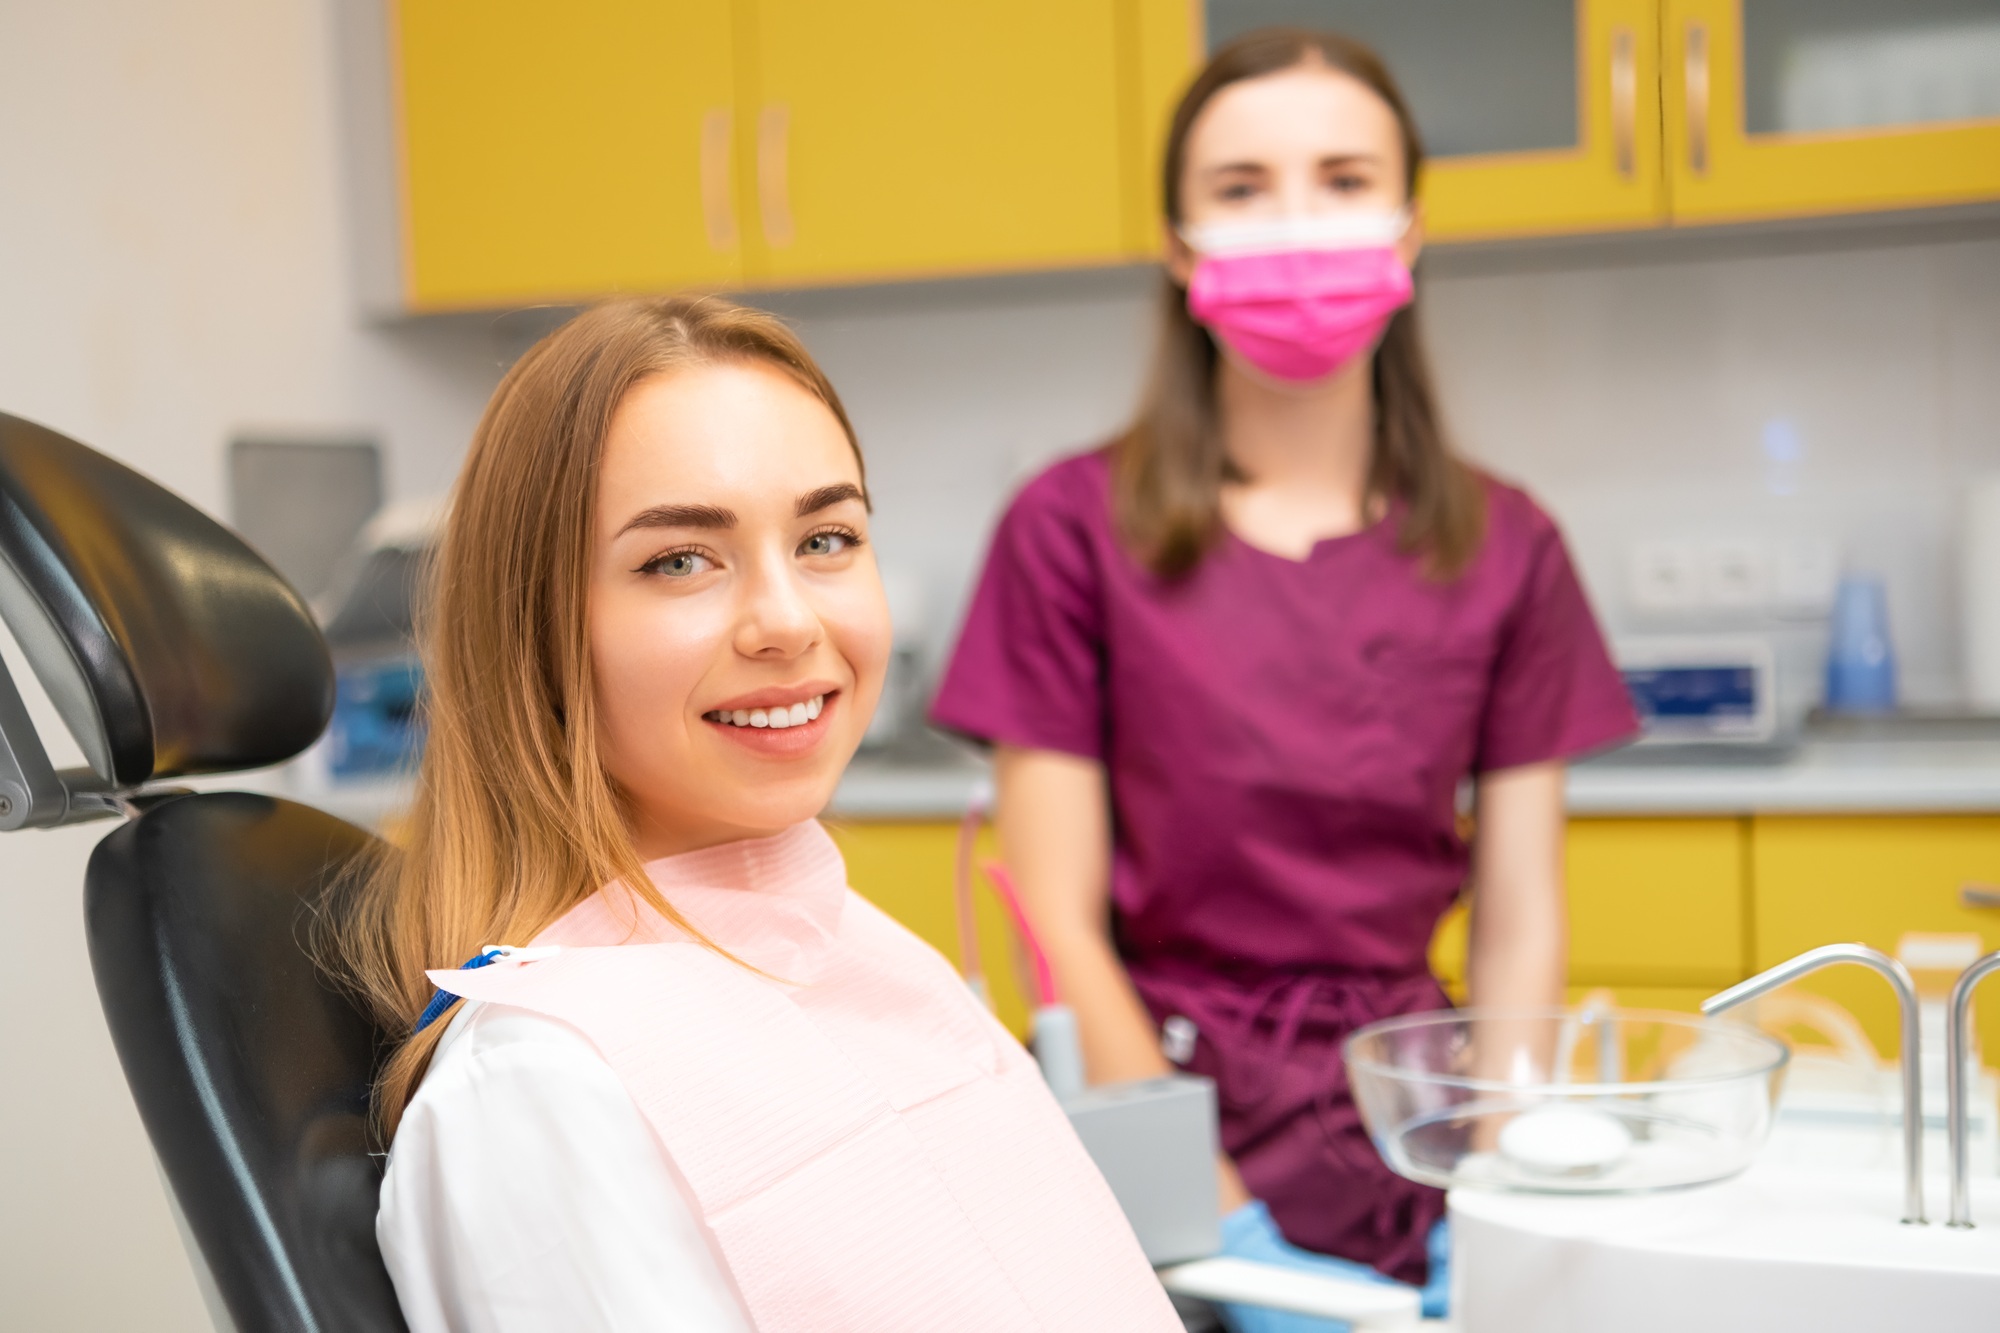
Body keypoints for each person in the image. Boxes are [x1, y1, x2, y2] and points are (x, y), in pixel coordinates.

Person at [930, 28, 1638, 1329]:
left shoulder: (1510, 544)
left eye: (1344, 177)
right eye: (1243, 187)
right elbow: (1053, 914)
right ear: (1179, 242)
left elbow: (1522, 918)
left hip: (1420, 1125)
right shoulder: (1068, 528)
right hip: (1156, 1130)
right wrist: (1216, 1222)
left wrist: (1494, 1181)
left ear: (1411, 226)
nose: (1296, 220)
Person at [333, 296, 1183, 1332]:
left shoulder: (856, 954)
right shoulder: (537, 1086)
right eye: (679, 560)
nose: (786, 620)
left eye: (826, 538)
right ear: (533, 629)